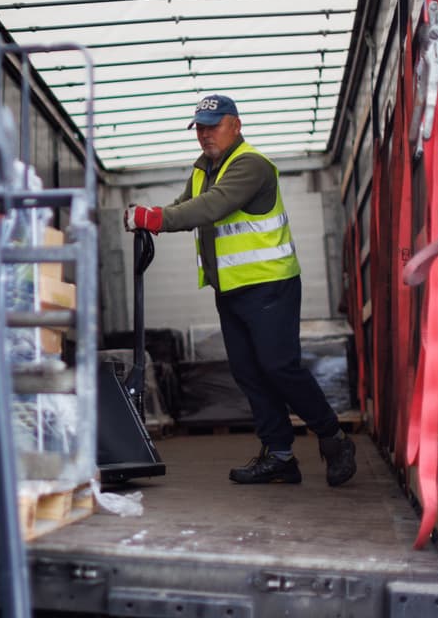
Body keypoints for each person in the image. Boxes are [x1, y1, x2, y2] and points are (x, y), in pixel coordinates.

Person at [124, 95, 357, 487]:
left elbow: (212, 207)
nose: (205, 134)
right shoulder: (203, 169)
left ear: (236, 124)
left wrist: (155, 218)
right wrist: (150, 218)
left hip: (269, 284)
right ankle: (280, 456)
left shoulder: (251, 165)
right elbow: (186, 206)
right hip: (231, 288)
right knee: (248, 372)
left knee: (279, 367)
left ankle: (334, 438)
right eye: (199, 127)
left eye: (213, 125)